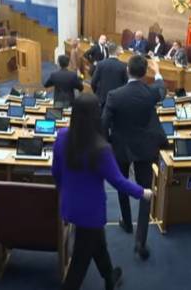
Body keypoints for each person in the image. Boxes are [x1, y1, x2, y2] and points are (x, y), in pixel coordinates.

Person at [52, 92, 153, 290]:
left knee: (98, 244)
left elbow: (56, 172)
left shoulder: (62, 136)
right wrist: (142, 192)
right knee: (78, 265)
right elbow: (118, 181)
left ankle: (109, 277)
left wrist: (65, 191)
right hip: (91, 213)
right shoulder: (100, 148)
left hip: (69, 205)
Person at [102, 56, 168, 260]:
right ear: (145, 73)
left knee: (122, 183)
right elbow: (162, 89)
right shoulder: (151, 93)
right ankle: (141, 240)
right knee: (146, 191)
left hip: (121, 147)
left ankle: (127, 222)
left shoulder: (114, 95)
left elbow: (103, 125)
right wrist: (157, 70)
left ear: (127, 70)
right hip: (145, 148)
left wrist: (109, 142)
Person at [91, 42, 128, 108]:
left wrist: (97, 92)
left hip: (101, 98)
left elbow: (93, 82)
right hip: (116, 99)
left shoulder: (100, 64)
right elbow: (125, 84)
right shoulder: (123, 66)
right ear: (117, 52)